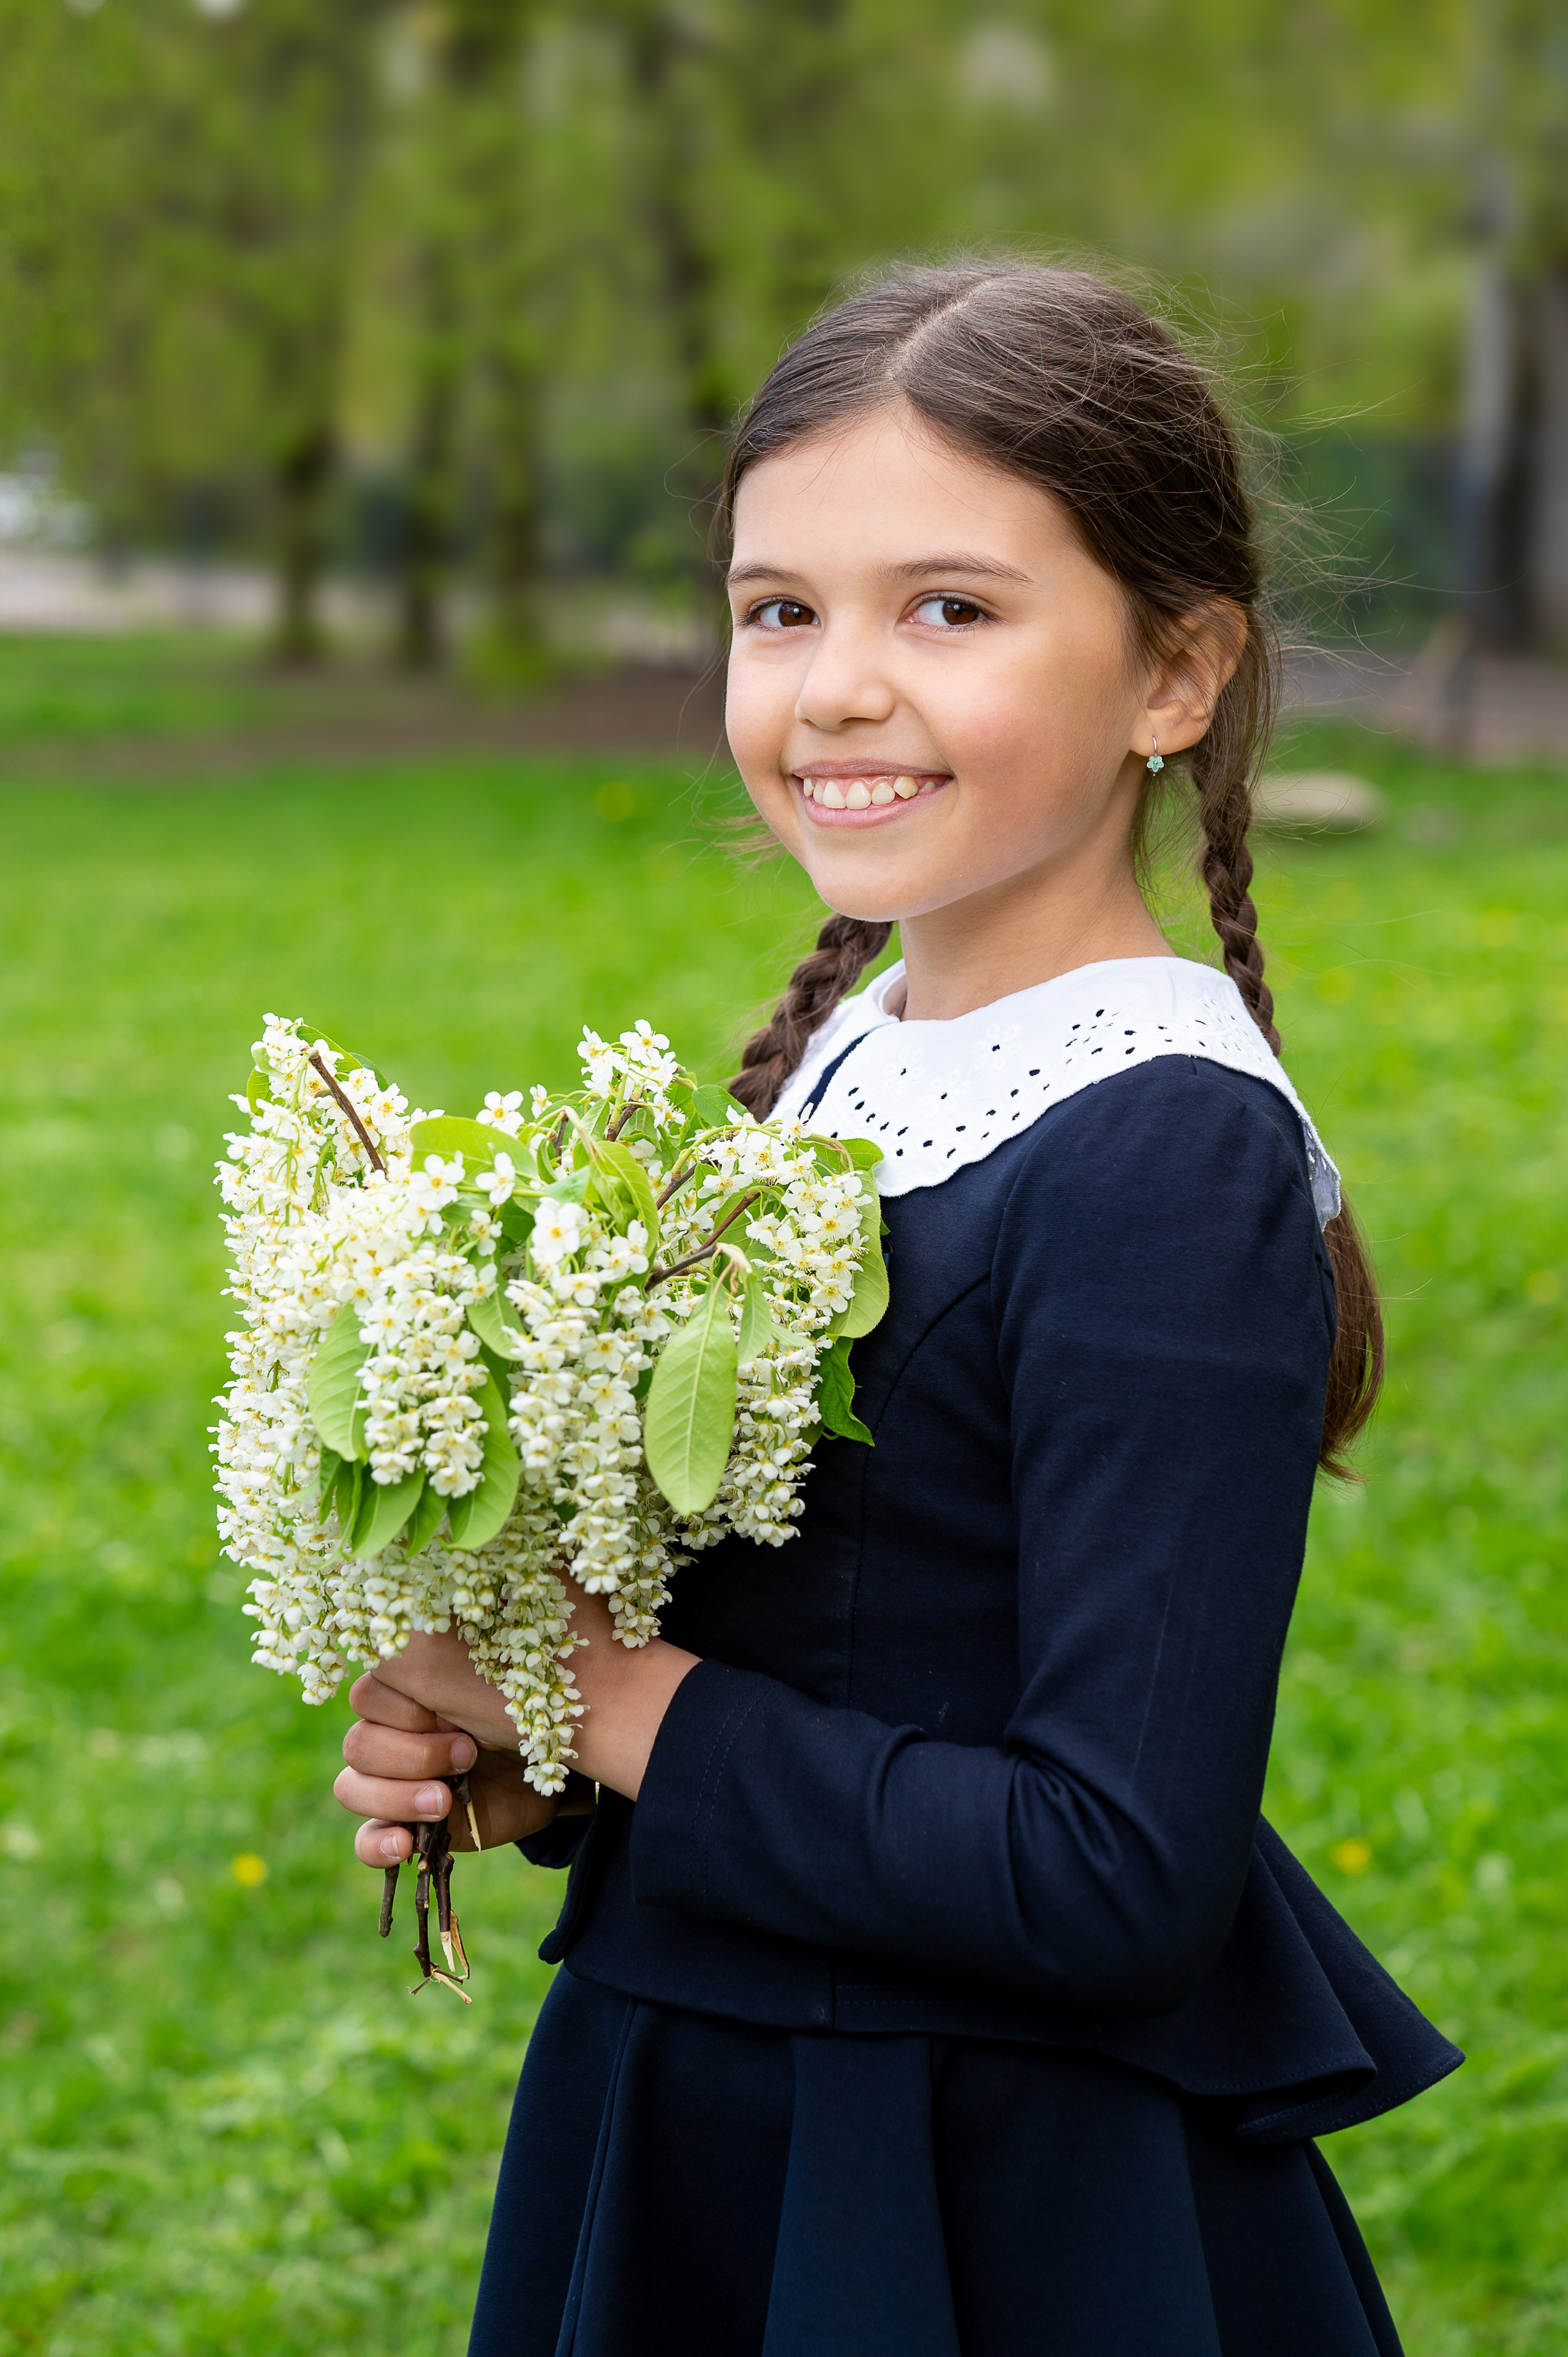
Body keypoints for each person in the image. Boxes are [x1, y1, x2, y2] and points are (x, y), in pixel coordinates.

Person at [332, 263, 1460, 2357]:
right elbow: (872, 1633)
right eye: (783, 611)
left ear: (1175, 672)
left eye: (949, 608)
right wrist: (551, 1769)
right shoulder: (856, 1062)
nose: (839, 685)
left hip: (966, 2196)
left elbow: (1115, 1869)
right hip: (711, 2102)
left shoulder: (1159, 1150)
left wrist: (611, 1699)